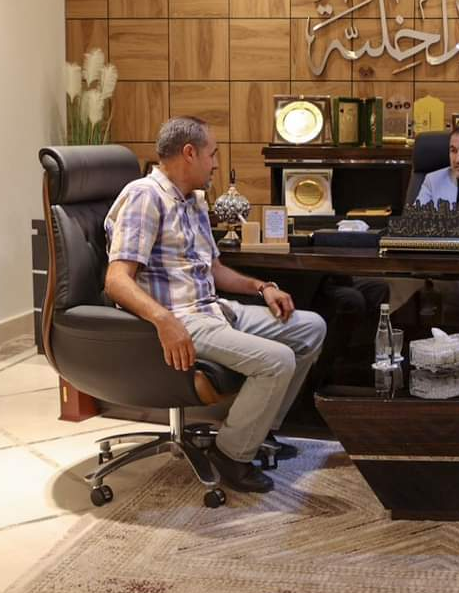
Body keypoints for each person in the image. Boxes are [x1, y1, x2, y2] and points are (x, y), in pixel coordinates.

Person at [103, 116, 326, 494]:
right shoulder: (145, 196)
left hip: (214, 309)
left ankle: (258, 432)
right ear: (189, 153)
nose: (217, 164)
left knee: (310, 327)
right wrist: (163, 320)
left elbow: (215, 270)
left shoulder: (193, 200)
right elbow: (116, 280)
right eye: (213, 154)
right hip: (182, 319)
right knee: (278, 360)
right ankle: (231, 455)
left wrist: (262, 287)